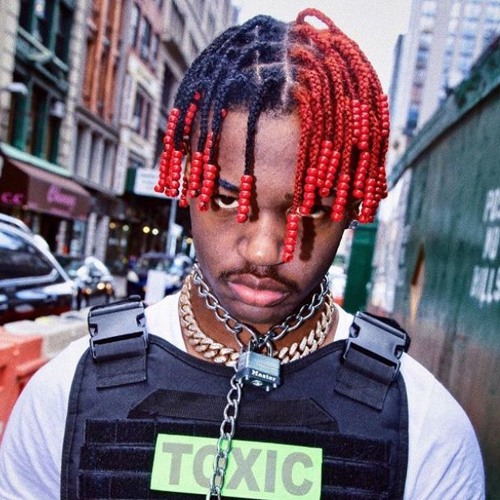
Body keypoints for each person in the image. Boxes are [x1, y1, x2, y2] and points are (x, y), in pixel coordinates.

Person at [0, 9, 484, 500]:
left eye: (311, 209)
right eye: (229, 200)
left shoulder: (426, 427)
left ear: (351, 208)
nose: (264, 251)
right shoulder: (65, 394)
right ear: (189, 183)